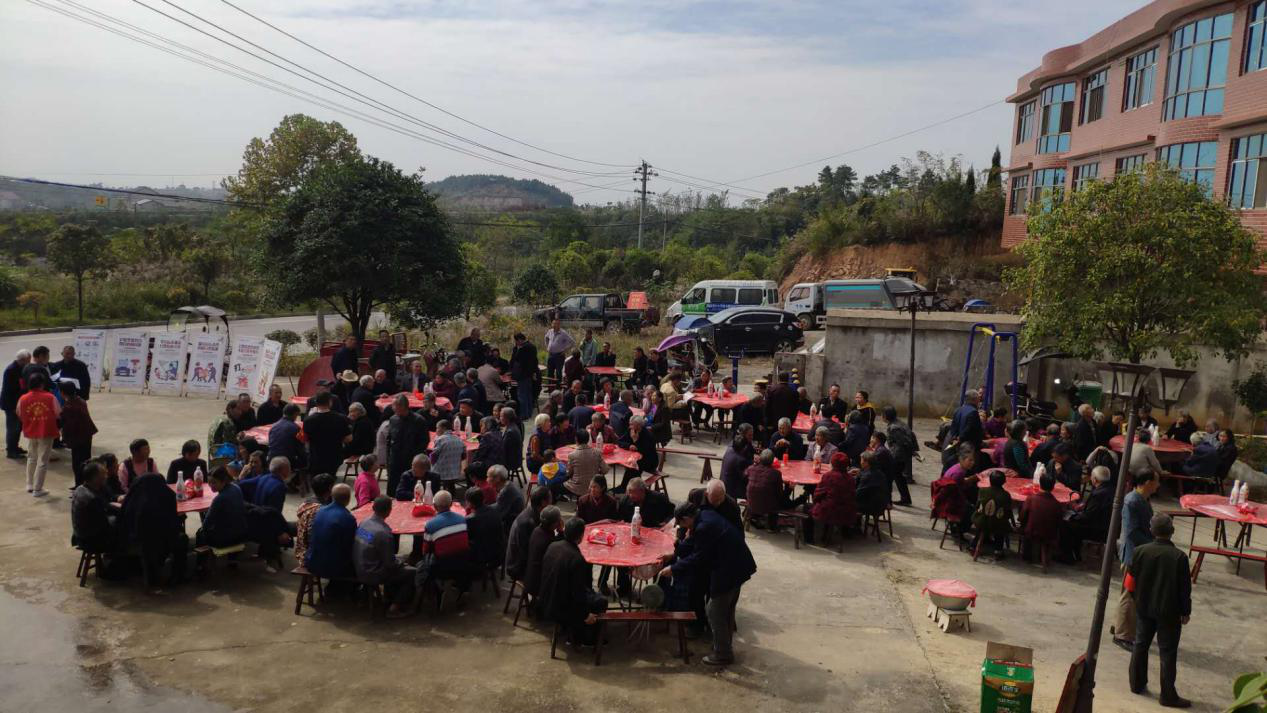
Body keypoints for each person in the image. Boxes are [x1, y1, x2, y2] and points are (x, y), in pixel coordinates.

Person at [658, 501, 757, 666]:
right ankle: (723, 645)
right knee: (725, 609)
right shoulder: (704, 515)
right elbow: (692, 543)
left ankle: (723, 654)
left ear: (687, 519)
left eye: (682, 524)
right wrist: (675, 551)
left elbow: (699, 557)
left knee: (714, 611)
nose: (683, 528)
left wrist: (674, 569)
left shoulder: (704, 527)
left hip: (730, 569)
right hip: (737, 564)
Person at [1128, 513, 1193, 708]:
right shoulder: (1179, 557)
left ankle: (1136, 684)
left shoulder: (1139, 551)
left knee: (1140, 645)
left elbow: (1129, 583)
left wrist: (1138, 600)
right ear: (1172, 531)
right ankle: (1167, 695)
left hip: (1144, 608)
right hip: (1169, 612)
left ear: (1151, 530)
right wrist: (1185, 612)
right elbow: (1184, 590)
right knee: (1167, 653)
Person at [540, 516, 609, 646]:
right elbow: (578, 594)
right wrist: (585, 615)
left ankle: (573, 631)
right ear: (581, 536)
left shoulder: (553, 546)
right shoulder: (576, 559)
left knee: (589, 593)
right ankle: (587, 639)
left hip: (546, 600)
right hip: (561, 608)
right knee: (601, 601)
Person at [1113, 471, 1159, 650]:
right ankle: (1122, 634)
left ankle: (1120, 625)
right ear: (1147, 482)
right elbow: (1132, 532)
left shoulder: (1142, 499)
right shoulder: (1133, 501)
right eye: (1156, 481)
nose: (1158, 485)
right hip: (1134, 555)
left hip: (1138, 553)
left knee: (1129, 594)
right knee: (1130, 595)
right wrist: (1154, 544)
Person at [119, 470, 188, 590]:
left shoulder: (133, 500)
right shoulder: (166, 497)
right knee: (182, 538)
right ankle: (177, 576)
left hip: (132, 539)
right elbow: (171, 523)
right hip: (157, 542)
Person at [354, 496, 415, 618]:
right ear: (389, 511)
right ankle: (394, 608)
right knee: (413, 572)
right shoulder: (384, 533)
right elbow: (390, 564)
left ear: (373, 508)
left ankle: (388, 596)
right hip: (373, 572)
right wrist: (402, 563)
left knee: (402, 559)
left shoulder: (364, 523)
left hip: (359, 566)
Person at [18, 372, 59, 497]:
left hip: (31, 431)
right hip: (46, 431)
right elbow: (58, 413)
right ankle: (38, 488)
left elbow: (19, 413)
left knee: (31, 457)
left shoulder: (23, 398)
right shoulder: (50, 397)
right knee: (43, 461)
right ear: (42, 384)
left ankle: (29, 484)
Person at [306, 482, 357, 580]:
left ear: (332, 496)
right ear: (348, 499)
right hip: (332, 567)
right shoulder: (347, 518)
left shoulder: (320, 511)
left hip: (312, 560)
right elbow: (350, 546)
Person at [1061, 466, 1114, 561]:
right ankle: (1075, 553)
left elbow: (1087, 516)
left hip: (1097, 530)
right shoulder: (1111, 489)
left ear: (1095, 479)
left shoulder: (1098, 494)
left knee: (1066, 524)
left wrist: (1072, 516)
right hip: (1106, 527)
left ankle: (1067, 556)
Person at [71, 461, 119, 560]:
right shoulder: (92, 498)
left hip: (80, 535)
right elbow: (104, 525)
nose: (106, 476)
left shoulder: (81, 488)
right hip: (91, 540)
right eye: (104, 474)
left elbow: (105, 506)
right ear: (95, 478)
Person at [386, 394, 429, 498]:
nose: (393, 408)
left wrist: (414, 456)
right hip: (395, 459)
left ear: (403, 406)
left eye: (395, 406)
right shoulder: (393, 419)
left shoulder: (419, 420)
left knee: (411, 490)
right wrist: (388, 458)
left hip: (411, 460)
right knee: (393, 490)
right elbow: (389, 439)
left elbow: (424, 441)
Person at [506, 486, 552, 583]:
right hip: (517, 567)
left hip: (525, 558)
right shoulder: (527, 522)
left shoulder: (535, 512)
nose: (552, 501)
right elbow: (528, 552)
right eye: (550, 498)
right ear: (543, 502)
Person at [196, 466, 248, 549]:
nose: (211, 485)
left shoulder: (220, 498)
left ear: (224, 481)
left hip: (227, 539)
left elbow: (206, 523)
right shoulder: (236, 487)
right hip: (242, 533)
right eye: (209, 482)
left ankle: (204, 557)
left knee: (200, 533)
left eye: (214, 482)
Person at [303, 391, 351, 479]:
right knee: (331, 479)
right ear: (330, 402)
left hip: (316, 457)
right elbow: (349, 438)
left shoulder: (308, 420)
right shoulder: (340, 418)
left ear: (316, 402)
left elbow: (303, 438)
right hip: (334, 456)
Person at [809, 452, 856, 542]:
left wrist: (816, 502)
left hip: (830, 511)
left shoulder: (829, 476)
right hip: (847, 511)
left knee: (806, 508)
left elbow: (818, 494)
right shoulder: (851, 478)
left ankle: (810, 538)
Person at [970, 469, 1014, 560]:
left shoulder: (982, 491)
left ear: (990, 480)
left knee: (982, 526)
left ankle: (973, 546)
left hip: (980, 520)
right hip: (997, 524)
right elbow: (1007, 512)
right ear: (1004, 482)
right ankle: (998, 550)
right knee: (1001, 528)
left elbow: (977, 505)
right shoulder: (1006, 495)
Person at [1019, 474, 1063, 563]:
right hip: (1050, 533)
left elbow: (1022, 517)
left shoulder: (1031, 499)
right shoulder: (1057, 504)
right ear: (1053, 487)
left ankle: (1027, 555)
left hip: (1032, 532)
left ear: (1040, 484)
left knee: (1026, 525)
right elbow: (1059, 521)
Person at [60, 387, 97, 488]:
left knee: (77, 462)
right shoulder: (80, 400)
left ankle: (79, 484)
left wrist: (65, 438)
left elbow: (67, 424)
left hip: (77, 437)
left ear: (63, 393)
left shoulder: (69, 406)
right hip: (87, 434)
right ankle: (85, 482)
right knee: (86, 459)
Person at [524, 504, 562, 600]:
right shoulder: (548, 540)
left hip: (529, 576)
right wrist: (561, 531)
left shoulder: (537, 530)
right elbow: (560, 549)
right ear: (554, 524)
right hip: (538, 584)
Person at [464, 487, 503, 575]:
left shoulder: (470, 519)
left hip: (483, 556)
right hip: (499, 550)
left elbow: (467, 538)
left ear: (470, 503)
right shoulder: (495, 510)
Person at [744, 449, 786, 530]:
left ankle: (757, 518)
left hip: (751, 501)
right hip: (767, 506)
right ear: (772, 461)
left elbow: (744, 476)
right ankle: (772, 526)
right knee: (779, 499)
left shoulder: (751, 468)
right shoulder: (776, 473)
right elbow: (779, 493)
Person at [2, 349, 31, 459]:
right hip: (11, 405)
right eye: (28, 360)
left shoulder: (20, 368)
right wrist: (14, 407)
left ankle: (15, 447)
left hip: (18, 403)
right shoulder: (11, 370)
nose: (29, 362)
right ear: (22, 360)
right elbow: (8, 391)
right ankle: (11, 451)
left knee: (18, 427)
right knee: (13, 428)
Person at [564, 429, 608, 498]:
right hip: (594, 487)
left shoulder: (572, 455)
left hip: (577, 488)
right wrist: (597, 473)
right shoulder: (597, 452)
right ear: (588, 439)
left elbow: (568, 473)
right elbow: (605, 470)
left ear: (576, 440)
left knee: (556, 484)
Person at [617, 414, 658, 489]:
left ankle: (629, 487)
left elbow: (644, 452)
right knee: (632, 464)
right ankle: (626, 487)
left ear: (639, 425)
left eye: (632, 424)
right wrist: (629, 446)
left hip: (649, 461)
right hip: (635, 458)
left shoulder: (648, 435)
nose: (630, 426)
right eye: (630, 424)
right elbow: (620, 441)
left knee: (633, 466)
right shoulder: (631, 430)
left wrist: (635, 441)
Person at [870, 431, 911, 506]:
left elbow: (873, 467)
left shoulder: (880, 452)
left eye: (872, 438)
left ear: (876, 439)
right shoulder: (881, 450)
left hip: (883, 480)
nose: (870, 440)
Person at [720, 426, 756, 499]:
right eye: (749, 435)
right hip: (731, 488)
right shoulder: (739, 459)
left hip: (724, 481)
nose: (752, 437)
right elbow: (746, 476)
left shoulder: (732, 446)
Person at [510, 332, 540, 419]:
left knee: (522, 395)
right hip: (529, 374)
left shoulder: (523, 348)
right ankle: (529, 412)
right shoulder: (532, 347)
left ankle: (524, 414)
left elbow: (517, 358)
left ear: (519, 340)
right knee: (528, 395)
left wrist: (518, 349)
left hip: (522, 374)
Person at [267, 403, 305, 469]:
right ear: (295, 414)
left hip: (271, 459)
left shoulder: (273, 426)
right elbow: (300, 448)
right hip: (286, 461)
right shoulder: (295, 428)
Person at [488, 464, 524, 533]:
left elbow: (499, 513)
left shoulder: (506, 492)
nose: (487, 479)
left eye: (489, 477)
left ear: (498, 479)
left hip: (512, 523)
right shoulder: (508, 484)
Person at [854, 450, 889, 519]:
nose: (860, 462)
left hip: (871, 506)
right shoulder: (879, 473)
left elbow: (858, 494)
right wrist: (860, 472)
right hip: (881, 504)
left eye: (861, 460)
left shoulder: (867, 476)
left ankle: (854, 524)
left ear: (866, 462)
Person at [544, 318, 575, 385]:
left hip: (559, 355)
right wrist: (547, 346)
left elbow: (572, 342)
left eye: (556, 324)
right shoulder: (550, 331)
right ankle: (550, 387)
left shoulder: (563, 333)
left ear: (559, 325)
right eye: (553, 323)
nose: (554, 325)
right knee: (550, 372)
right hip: (550, 355)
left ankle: (558, 387)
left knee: (558, 373)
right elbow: (546, 337)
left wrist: (565, 350)